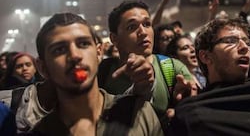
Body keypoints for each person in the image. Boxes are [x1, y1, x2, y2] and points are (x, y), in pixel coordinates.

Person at [30, 12, 162, 135]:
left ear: (99, 53)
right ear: (42, 67)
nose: (75, 55)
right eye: (59, 49)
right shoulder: (39, 133)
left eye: (83, 44)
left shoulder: (139, 113)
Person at [105, 0, 195, 130]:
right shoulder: (103, 71)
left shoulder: (172, 67)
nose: (143, 32)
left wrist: (184, 106)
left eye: (147, 24)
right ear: (114, 39)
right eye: (132, 27)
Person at [195, 18, 250, 91]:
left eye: (247, 43)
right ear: (205, 57)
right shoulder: (199, 102)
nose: (245, 47)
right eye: (231, 41)